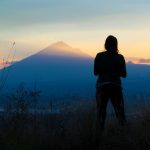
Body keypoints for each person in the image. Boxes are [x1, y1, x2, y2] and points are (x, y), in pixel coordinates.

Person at [94, 35, 127, 130]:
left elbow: (95, 72)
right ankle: (125, 136)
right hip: (116, 86)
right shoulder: (120, 57)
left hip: (102, 86)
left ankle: (98, 138)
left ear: (105, 45)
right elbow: (124, 74)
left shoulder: (99, 56)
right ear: (116, 45)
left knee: (101, 113)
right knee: (120, 113)